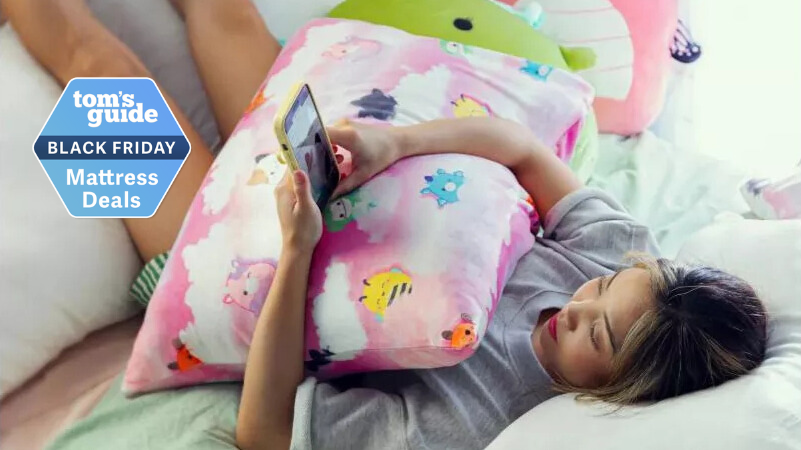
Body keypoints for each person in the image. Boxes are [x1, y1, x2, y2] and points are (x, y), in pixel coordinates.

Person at [4, 2, 768, 450]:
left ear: (625, 394)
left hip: (228, 263)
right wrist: (392, 145)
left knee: (102, 77)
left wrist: (296, 251)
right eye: (600, 290)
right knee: (224, 13)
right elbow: (522, 149)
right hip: (334, 170)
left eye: (594, 335)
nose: (574, 304)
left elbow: (266, 434)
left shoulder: (471, 420)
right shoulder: (619, 261)